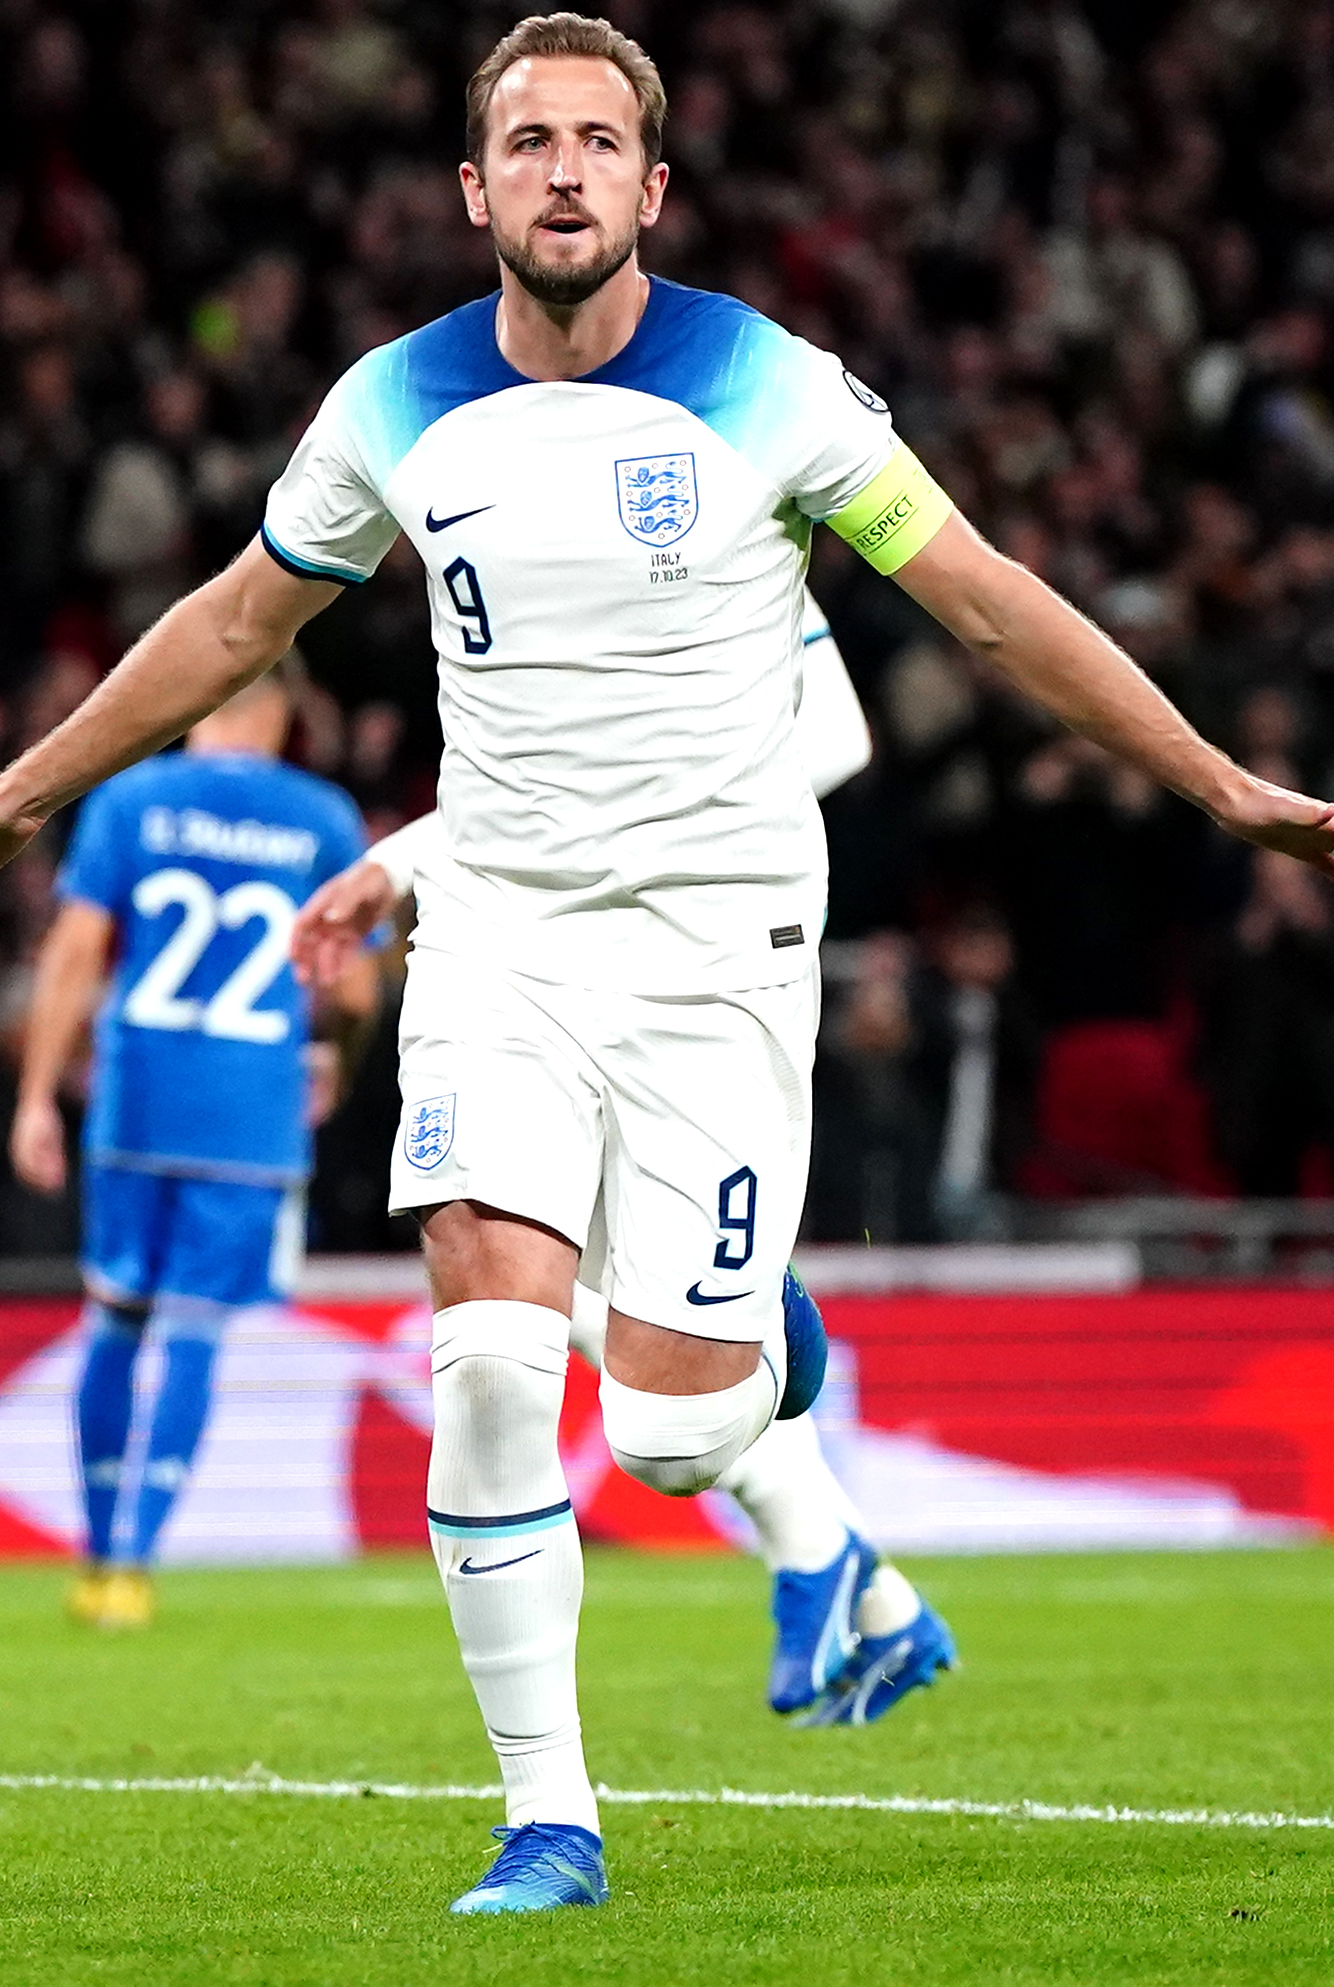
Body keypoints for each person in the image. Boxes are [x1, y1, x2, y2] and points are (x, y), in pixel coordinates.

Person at [0, 13, 1334, 1913]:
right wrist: (19, 795)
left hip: (717, 949)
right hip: (498, 937)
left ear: (652, 187)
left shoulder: (768, 385)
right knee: (496, 1355)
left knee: (675, 1434)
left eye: (600, 142)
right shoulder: (391, 405)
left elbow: (990, 608)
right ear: (474, 187)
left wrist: (1221, 784)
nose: (566, 171)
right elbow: (233, 620)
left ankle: (765, 1357)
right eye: (529, 143)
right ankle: (549, 1816)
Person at [290, 594, 957, 1726]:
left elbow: (834, 732)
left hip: (697, 956)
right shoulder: (492, 518)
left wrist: (643, 830)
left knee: (628, 1356)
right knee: (517, 1275)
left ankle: (820, 1532)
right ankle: (834, 1563)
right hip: (528, 961)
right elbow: (531, 793)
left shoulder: (709, 487)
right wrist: (402, 864)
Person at [12, 662, 379, 1629]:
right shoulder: (324, 819)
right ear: (280, 717)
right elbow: (352, 991)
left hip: (137, 1104)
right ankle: (135, 1561)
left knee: (114, 1316)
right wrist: (327, 1054)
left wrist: (36, 1094)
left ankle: (93, 1550)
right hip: (250, 1114)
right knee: (194, 1329)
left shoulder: (130, 798)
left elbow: (75, 953)